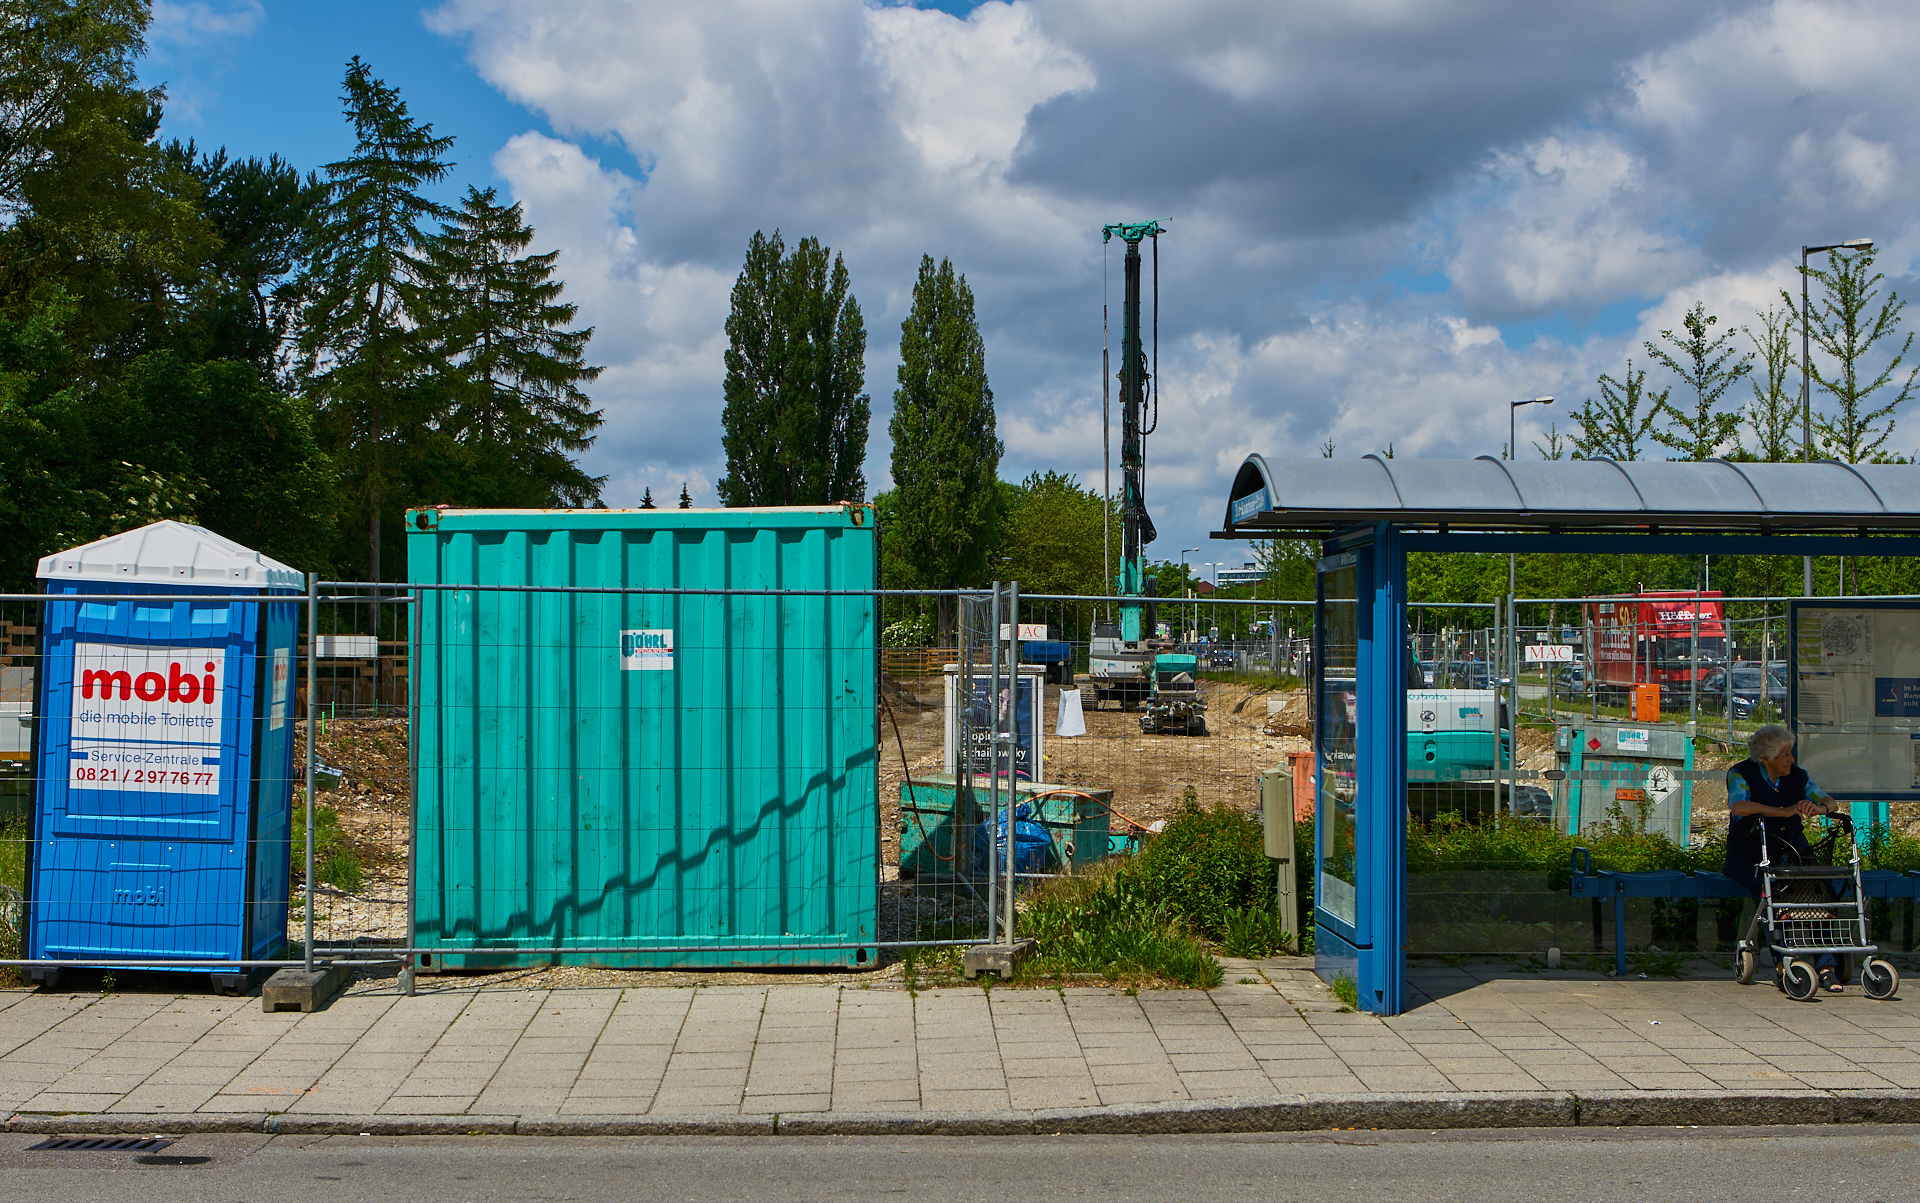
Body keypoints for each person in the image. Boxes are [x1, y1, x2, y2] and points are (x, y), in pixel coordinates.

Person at [1724, 724, 1845, 993]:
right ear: (1766, 758)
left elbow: (1830, 802)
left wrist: (1817, 808)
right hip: (1750, 855)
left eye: (1791, 753)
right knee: (1771, 893)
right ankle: (1783, 964)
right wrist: (1783, 811)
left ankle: (1826, 966)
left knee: (1820, 891)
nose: (1791, 759)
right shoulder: (1740, 773)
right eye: (1786, 754)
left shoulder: (1797, 776)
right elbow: (1739, 806)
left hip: (1793, 853)